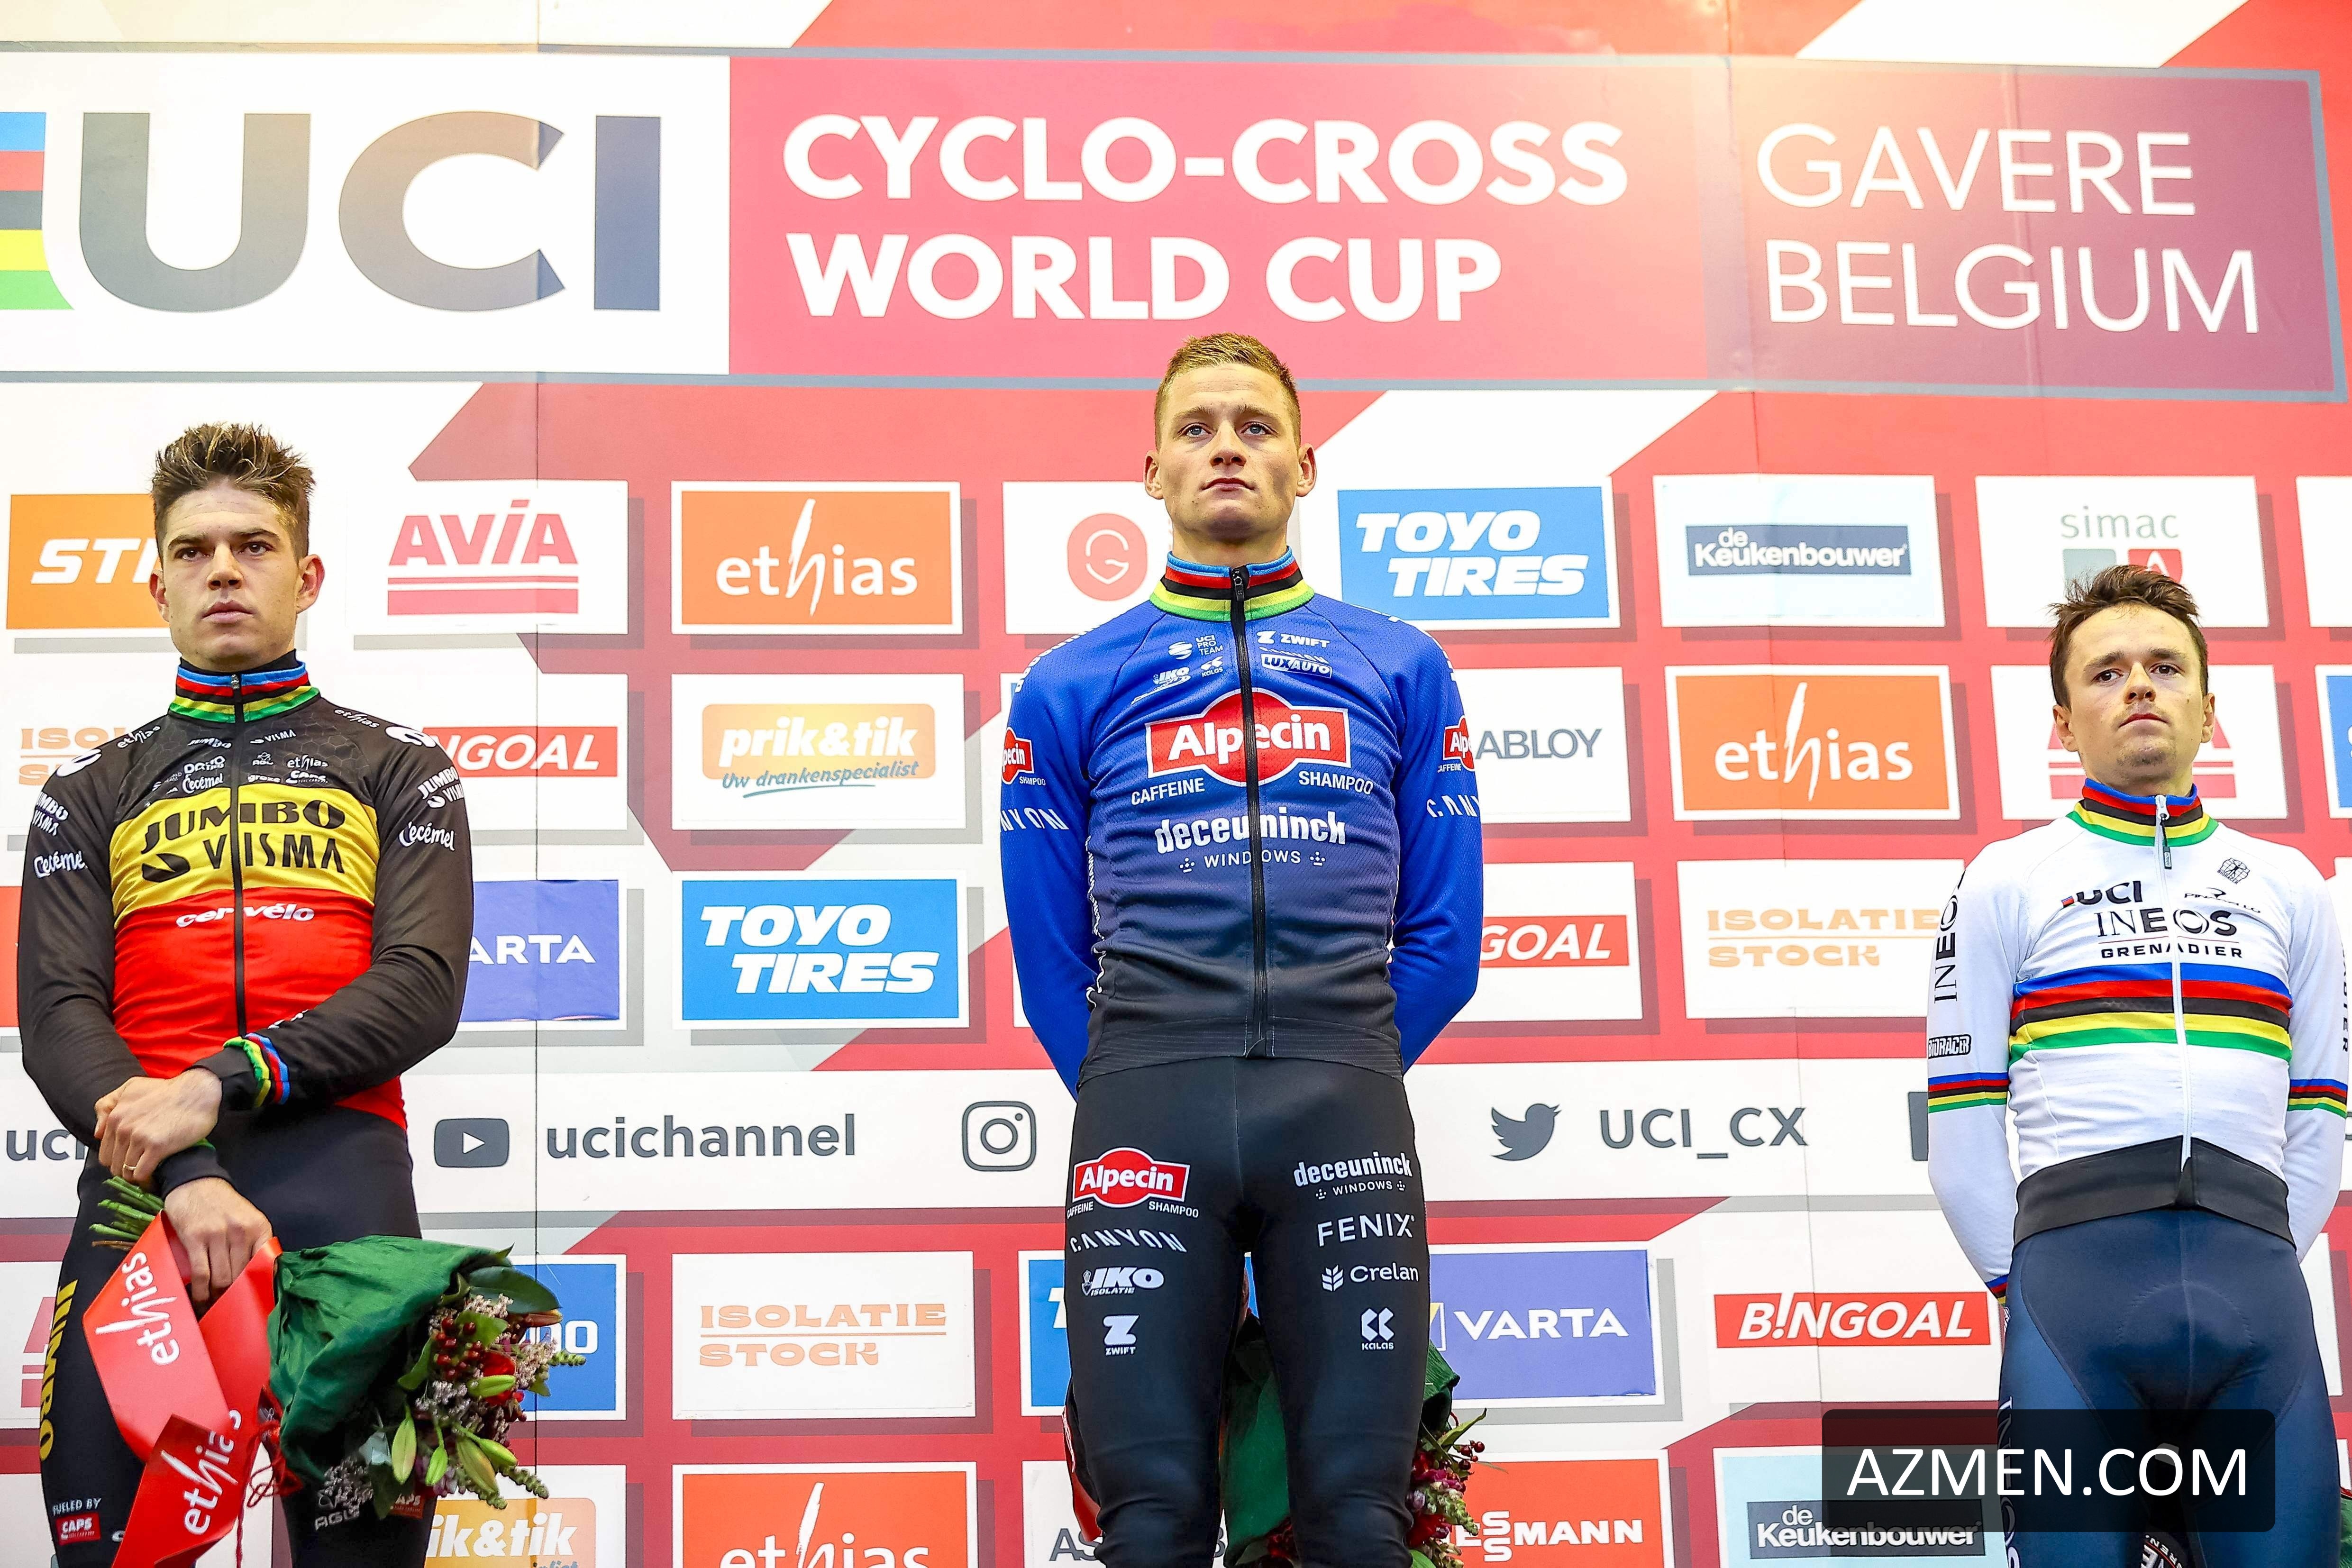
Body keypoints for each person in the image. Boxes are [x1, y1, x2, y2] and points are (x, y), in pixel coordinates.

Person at [1000, 334, 1483, 1567]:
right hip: (1145, 1107)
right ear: (1152, 470)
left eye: (1257, 426)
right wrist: (1136, 1077)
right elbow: (1049, 962)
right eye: (1199, 427)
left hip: (1341, 1102)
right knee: (1152, 1520)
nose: (1227, 447)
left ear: (1305, 467)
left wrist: (1341, 1061)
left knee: (1358, 1517)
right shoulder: (1067, 683)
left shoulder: (1401, 664)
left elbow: (1444, 943)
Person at [22, 423, 472, 1566]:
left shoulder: (401, 767)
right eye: (194, 550)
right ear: (159, 584)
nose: (223, 569)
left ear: (306, 576)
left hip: (347, 1198)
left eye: (254, 545)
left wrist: (214, 1086)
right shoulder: (87, 790)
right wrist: (184, 1168)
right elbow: (60, 1016)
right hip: (142, 1201)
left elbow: (421, 987)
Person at [1926, 565, 2346, 1565]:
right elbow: (1961, 1126)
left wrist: (2256, 1251)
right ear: (2063, 724)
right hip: (2075, 1307)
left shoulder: (2290, 885)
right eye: (2106, 672)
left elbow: (2321, 1109)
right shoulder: (2005, 878)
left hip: (2258, 1307)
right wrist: (2030, 1285)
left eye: (2165, 667)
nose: (2140, 687)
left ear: (2210, 708)